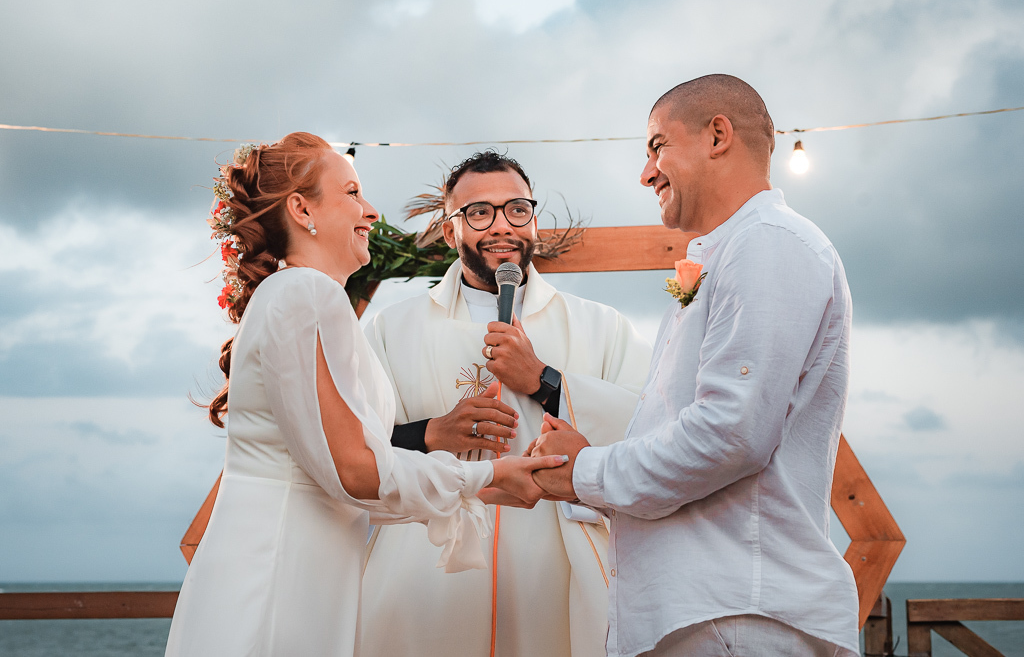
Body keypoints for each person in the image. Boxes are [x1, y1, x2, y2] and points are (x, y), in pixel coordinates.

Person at [164, 134, 567, 657]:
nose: (372, 212)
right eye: (352, 193)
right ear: (302, 208)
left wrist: (479, 490)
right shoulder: (306, 293)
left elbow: (334, 479)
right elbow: (354, 471)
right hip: (280, 573)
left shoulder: (296, 295)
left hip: (308, 565)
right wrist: (484, 475)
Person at [530, 75, 861, 657]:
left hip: (737, 611)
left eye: (657, 144)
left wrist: (586, 472)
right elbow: (700, 424)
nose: (646, 171)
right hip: (712, 609)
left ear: (717, 135)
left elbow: (732, 434)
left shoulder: (768, 243)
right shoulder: (733, 250)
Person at [358, 151, 653, 657]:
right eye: (478, 212)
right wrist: (431, 432)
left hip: (554, 564)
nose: (501, 226)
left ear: (533, 220)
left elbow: (650, 426)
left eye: (517, 209)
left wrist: (544, 381)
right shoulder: (393, 328)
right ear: (451, 231)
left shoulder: (598, 325)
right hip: (425, 568)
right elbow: (354, 439)